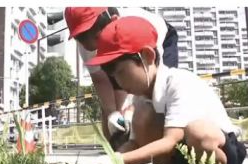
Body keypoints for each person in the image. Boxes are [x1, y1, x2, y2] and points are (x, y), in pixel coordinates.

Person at [71, 17, 247, 164]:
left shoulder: (179, 83)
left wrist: (118, 163)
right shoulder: (141, 97)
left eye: (121, 72)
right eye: (113, 77)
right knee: (144, 118)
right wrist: (109, 160)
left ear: (147, 56)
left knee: (197, 132)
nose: (119, 83)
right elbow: (136, 143)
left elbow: (170, 142)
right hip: (187, 158)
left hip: (223, 153)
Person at [64, 7, 179, 147]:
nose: (92, 46)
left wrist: (132, 108)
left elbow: (149, 75)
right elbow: (100, 79)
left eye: (97, 39)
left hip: (158, 46)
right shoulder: (87, 42)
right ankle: (118, 148)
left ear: (110, 20)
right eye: (84, 42)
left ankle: (158, 145)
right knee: (115, 113)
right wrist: (113, 113)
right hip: (123, 56)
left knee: (156, 97)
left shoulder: (140, 25)